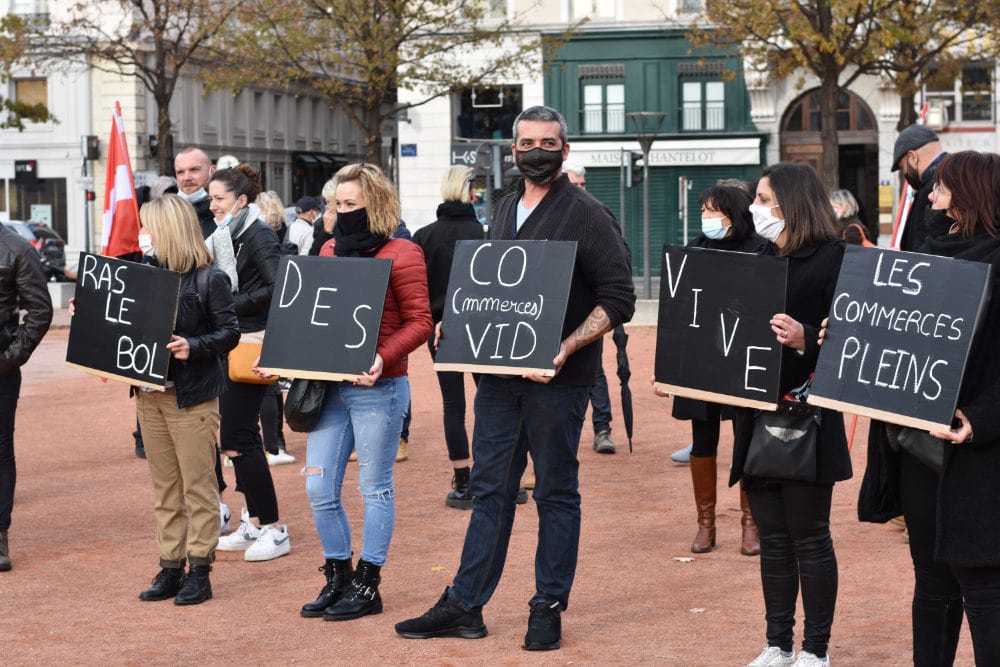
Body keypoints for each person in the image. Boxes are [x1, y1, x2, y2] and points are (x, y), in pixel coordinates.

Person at [395, 105, 636, 650]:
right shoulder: (502, 210)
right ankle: (465, 603)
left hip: (560, 380)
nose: (537, 151)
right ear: (513, 151)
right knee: (490, 489)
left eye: (548, 143)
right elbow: (493, 290)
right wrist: (456, 322)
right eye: (527, 143)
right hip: (500, 379)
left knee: (555, 491)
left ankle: (547, 605)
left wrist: (566, 346)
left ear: (565, 150)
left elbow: (619, 296)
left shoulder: (587, 213)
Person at [856, 150, 1000, 665]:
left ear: (970, 196)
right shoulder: (923, 260)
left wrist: (980, 420)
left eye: (940, 190)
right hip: (918, 451)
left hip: (980, 463)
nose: (931, 199)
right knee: (932, 585)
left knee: (985, 594)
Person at [298, 163, 432, 621]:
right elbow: (314, 314)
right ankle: (337, 573)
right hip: (330, 386)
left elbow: (421, 322)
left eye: (350, 204)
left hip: (381, 385)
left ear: (375, 204)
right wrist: (286, 356)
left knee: (374, 488)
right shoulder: (330, 247)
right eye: (337, 203)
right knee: (319, 486)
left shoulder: (403, 251)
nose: (340, 211)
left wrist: (382, 357)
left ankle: (368, 581)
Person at [731, 162, 850, 667]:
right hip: (754, 415)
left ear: (791, 202)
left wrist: (807, 340)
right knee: (773, 537)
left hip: (809, 421)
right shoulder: (754, 257)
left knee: (810, 536)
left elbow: (855, 347)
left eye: (763, 198)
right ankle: (777, 643)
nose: (755, 208)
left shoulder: (835, 260)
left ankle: (815, 650)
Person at [129, 195, 240, 604]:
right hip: (149, 394)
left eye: (149, 226)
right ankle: (170, 566)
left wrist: (192, 345)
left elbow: (230, 333)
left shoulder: (209, 279)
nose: (144, 234)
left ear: (168, 229)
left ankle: (201, 569)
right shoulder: (142, 273)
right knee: (165, 488)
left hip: (192, 397)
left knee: (198, 486)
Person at [665, 184, 765, 556]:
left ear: (734, 213)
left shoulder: (761, 251)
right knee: (703, 440)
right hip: (701, 364)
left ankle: (750, 523)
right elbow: (676, 316)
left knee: (747, 439)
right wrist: (669, 370)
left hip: (743, 364)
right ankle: (705, 524)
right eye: (704, 210)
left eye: (714, 210)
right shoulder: (693, 253)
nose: (707, 218)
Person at [210, 164, 290, 561]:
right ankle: (254, 521)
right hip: (235, 340)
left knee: (239, 437)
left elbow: (279, 287)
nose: (212, 205)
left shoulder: (256, 234)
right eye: (211, 198)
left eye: (218, 198)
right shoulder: (228, 234)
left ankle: (274, 527)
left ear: (240, 201)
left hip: (251, 343)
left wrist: (228, 304)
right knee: (238, 438)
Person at [413, 165, 486, 509]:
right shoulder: (486, 232)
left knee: (453, 406)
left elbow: (418, 290)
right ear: (471, 192)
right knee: (493, 403)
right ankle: (498, 475)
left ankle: (463, 481)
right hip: (485, 327)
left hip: (441, 329)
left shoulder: (424, 236)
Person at [0, 222, 52, 571]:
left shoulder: (17, 247)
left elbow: (41, 310)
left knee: (0, 449)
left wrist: (10, 358)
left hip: (1, 370)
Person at [562, 160, 616, 454]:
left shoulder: (597, 213)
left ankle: (602, 429)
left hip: (591, 312)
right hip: (556, 313)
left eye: (583, 184)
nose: (581, 190)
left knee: (595, 370)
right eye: (575, 184)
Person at [254, 191, 296, 466]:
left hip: (265, 320)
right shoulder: (286, 245)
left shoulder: (267, 246)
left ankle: (271, 444)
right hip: (273, 319)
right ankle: (274, 443)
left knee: (267, 385)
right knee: (270, 386)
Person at [892, 124, 946, 252]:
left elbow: (922, 244)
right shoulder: (955, 174)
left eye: (902, 167)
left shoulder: (931, 187)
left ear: (912, 157)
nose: (905, 173)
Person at [173, 147, 217, 238]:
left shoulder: (228, 213)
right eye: (180, 172)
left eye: (194, 170)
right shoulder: (168, 215)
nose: (186, 178)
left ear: (212, 171)